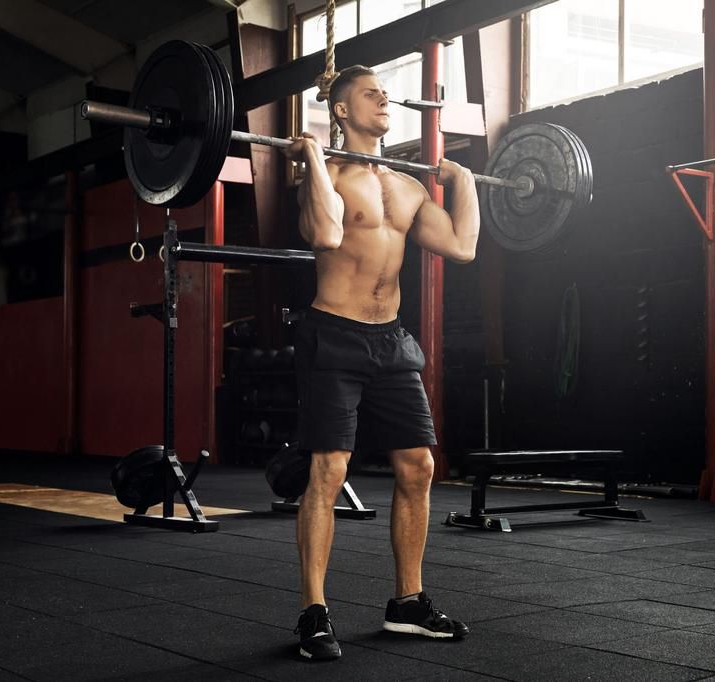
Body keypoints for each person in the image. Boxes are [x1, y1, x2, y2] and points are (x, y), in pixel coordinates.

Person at [280, 65, 480, 661]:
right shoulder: (331, 175)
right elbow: (324, 236)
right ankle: (314, 612)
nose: (384, 100)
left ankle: (407, 603)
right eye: (371, 94)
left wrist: (463, 180)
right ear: (342, 111)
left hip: (391, 340)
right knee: (329, 470)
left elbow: (462, 247)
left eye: (386, 94)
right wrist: (315, 160)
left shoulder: (409, 186)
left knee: (418, 465)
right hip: (334, 336)